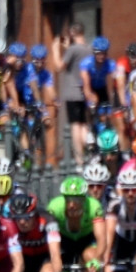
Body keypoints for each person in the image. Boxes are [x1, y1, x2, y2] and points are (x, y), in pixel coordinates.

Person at [50, 23, 92, 166]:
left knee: (75, 125)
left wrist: (55, 49)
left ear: (73, 32)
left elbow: (59, 66)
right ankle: (90, 152)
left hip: (72, 92)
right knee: (84, 124)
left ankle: (80, 159)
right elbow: (76, 62)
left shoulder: (73, 49)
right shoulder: (88, 49)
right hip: (84, 92)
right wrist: (67, 48)